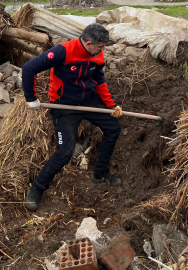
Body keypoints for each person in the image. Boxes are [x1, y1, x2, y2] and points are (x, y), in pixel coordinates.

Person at [22, 23, 122, 211]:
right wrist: (31, 98)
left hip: (88, 100)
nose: (103, 50)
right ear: (89, 43)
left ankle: (100, 173)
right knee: (65, 152)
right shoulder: (63, 51)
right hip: (64, 105)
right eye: (100, 46)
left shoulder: (96, 54)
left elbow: (98, 80)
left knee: (113, 128)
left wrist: (111, 104)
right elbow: (29, 68)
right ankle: (36, 189)